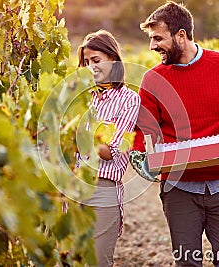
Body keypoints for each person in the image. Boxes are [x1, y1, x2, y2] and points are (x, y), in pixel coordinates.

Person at [129, 2, 219, 267]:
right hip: (178, 190)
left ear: (181, 35)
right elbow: (145, 130)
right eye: (151, 39)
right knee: (188, 264)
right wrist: (139, 155)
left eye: (158, 38)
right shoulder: (152, 79)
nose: (152, 46)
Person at [77, 29, 140, 267]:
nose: (90, 67)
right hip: (72, 183)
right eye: (86, 62)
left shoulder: (128, 99)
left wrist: (76, 133)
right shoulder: (81, 97)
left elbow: (111, 151)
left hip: (103, 188)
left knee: (98, 261)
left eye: (96, 60)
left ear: (113, 59)